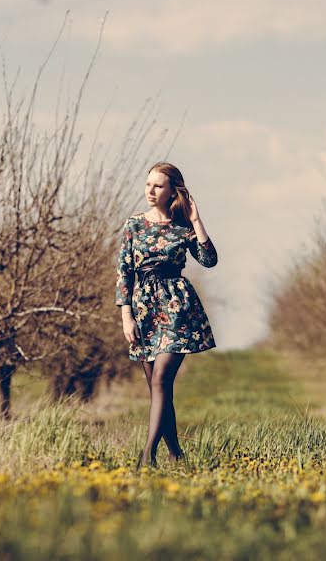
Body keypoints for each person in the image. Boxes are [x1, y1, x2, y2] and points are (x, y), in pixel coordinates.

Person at [115, 162, 218, 469]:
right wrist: (126, 317)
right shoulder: (133, 225)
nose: (150, 190)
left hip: (176, 307)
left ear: (172, 190)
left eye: (158, 185)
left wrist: (196, 220)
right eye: (148, 184)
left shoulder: (182, 227)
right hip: (143, 308)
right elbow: (123, 272)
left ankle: (148, 455)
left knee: (161, 380)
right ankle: (177, 454)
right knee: (158, 388)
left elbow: (209, 260)